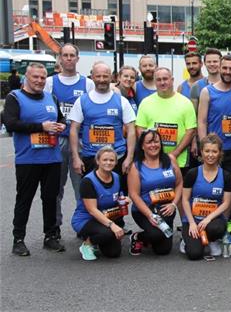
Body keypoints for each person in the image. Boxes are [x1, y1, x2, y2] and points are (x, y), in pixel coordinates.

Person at [4, 63, 66, 255]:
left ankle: (51, 236)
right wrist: (41, 127)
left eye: (42, 77)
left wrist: (61, 126)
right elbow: (10, 124)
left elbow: (61, 119)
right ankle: (18, 239)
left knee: (50, 199)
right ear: (26, 78)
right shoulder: (14, 97)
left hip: (52, 158)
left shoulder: (51, 97)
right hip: (28, 160)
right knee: (24, 199)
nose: (39, 81)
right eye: (35, 77)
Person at [44, 44, 94, 237]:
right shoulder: (50, 83)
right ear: (60, 58)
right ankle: (54, 228)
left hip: (80, 142)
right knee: (56, 189)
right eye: (65, 55)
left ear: (77, 58)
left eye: (72, 55)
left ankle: (83, 227)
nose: (69, 58)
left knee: (81, 188)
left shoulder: (86, 84)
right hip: (56, 143)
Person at [198, 55, 231, 234]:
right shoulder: (207, 92)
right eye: (224, 68)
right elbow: (202, 121)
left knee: (230, 185)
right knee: (211, 183)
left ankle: (229, 220)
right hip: (214, 149)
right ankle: (210, 219)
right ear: (219, 68)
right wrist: (204, 146)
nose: (227, 72)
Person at [69, 62, 136, 182]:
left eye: (105, 76)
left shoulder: (122, 101)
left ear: (111, 77)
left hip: (116, 158)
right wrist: (76, 158)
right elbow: (74, 129)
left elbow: (131, 130)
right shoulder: (82, 101)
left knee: (116, 197)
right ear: (92, 77)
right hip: (91, 158)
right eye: (98, 76)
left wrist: (129, 158)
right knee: (91, 196)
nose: (102, 80)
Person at [128, 129, 183, 255]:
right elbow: (134, 195)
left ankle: (155, 236)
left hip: (166, 210)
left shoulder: (170, 159)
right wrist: (149, 215)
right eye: (149, 142)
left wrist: (173, 204)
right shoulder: (136, 167)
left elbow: (179, 184)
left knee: (162, 251)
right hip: (145, 211)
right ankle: (138, 237)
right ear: (142, 146)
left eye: (156, 142)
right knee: (155, 235)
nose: (153, 145)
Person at [180, 134, 231, 260]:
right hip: (193, 220)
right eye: (207, 151)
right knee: (194, 254)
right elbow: (185, 200)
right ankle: (186, 239)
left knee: (217, 228)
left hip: (212, 221)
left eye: (214, 151)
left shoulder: (225, 175)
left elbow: (226, 203)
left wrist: (208, 219)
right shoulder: (192, 173)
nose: (210, 155)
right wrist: (192, 222)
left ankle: (212, 239)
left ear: (220, 153)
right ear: (201, 152)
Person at [136, 67, 197, 174]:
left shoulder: (185, 103)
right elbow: (140, 129)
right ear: (155, 82)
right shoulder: (145, 103)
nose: (162, 82)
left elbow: (191, 131)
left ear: (172, 80)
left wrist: (174, 154)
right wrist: (153, 154)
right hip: (151, 161)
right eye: (158, 80)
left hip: (179, 161)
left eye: (165, 79)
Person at [71, 146, 126, 260]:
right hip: (86, 219)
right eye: (105, 160)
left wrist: (125, 199)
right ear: (98, 161)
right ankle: (88, 243)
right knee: (107, 233)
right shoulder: (88, 181)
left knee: (113, 253)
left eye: (111, 160)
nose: (108, 163)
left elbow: (119, 197)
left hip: (107, 216)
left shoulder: (117, 177)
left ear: (116, 162)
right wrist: (112, 225)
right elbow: (92, 210)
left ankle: (100, 240)